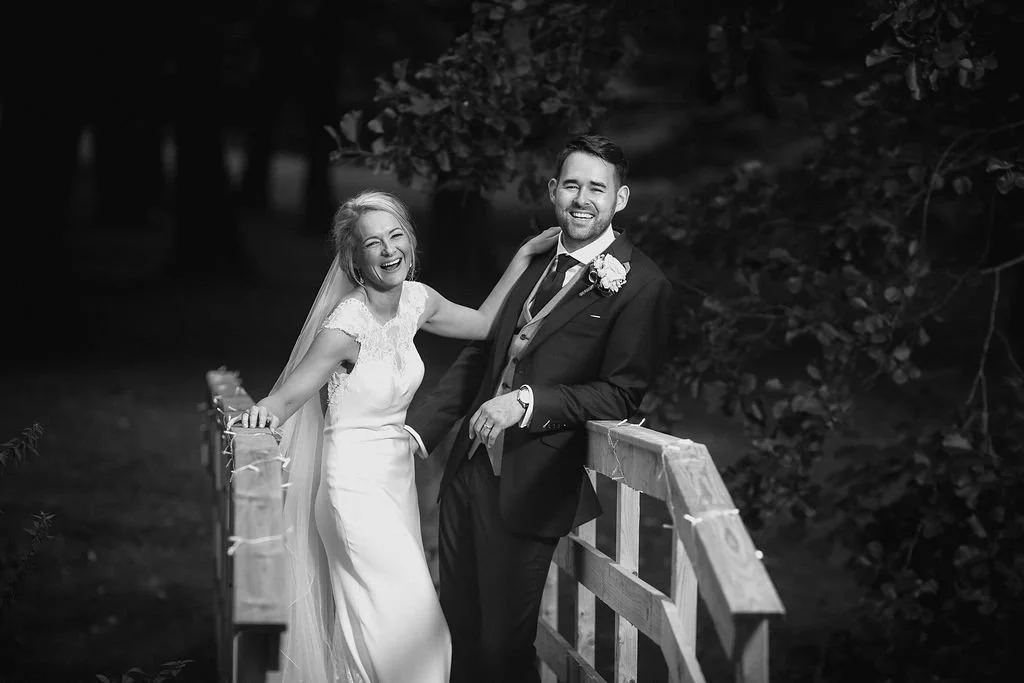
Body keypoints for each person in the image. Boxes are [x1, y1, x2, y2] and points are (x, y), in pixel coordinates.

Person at [238, 190, 559, 683]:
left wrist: (521, 257)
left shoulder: (417, 300)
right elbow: (288, 397)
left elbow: (484, 323)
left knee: (373, 629)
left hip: (396, 484)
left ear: (410, 240)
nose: (389, 250)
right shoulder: (345, 327)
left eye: (396, 236)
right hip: (352, 490)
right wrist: (261, 413)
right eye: (373, 243)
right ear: (354, 258)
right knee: (418, 630)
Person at [404, 134, 673, 683]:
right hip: (468, 471)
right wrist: (419, 434)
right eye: (572, 184)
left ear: (619, 200)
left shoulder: (643, 284)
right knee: (457, 628)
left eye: (597, 188)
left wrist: (527, 403)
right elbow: (484, 355)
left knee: (504, 646)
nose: (582, 198)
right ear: (553, 192)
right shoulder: (534, 260)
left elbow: (620, 393)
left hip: (533, 481)